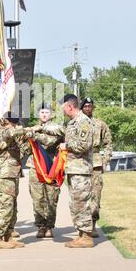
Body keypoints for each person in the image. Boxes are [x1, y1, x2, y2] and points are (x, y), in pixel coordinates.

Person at [40, 94, 94, 248]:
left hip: (81, 170)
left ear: (70, 106)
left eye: (63, 107)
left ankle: (87, 237)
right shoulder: (72, 123)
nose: (62, 110)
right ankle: (82, 234)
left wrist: (66, 145)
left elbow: (84, 145)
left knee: (81, 203)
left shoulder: (83, 122)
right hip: (73, 169)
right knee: (76, 203)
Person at [26, 103, 64, 238]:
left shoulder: (56, 127)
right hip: (35, 167)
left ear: (52, 114)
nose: (44, 114)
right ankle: (40, 226)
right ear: (38, 114)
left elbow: (49, 141)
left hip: (51, 167)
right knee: (37, 198)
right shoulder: (32, 128)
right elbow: (25, 148)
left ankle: (49, 226)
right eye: (41, 112)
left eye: (46, 112)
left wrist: (35, 134)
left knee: (51, 198)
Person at [0, 112, 27, 249]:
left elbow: (23, 149)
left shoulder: (14, 132)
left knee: (11, 207)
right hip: (4, 174)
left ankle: (8, 236)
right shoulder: (3, 132)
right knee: (4, 206)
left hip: (13, 173)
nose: (14, 124)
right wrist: (29, 129)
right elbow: (10, 133)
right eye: (13, 122)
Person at [81, 97, 112, 237]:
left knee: (95, 195)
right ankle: (82, 228)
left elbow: (108, 143)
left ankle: (92, 225)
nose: (88, 108)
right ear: (81, 107)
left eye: (90, 106)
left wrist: (105, 161)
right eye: (85, 106)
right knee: (81, 196)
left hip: (95, 162)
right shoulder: (76, 123)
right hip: (80, 163)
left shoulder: (100, 124)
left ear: (93, 108)